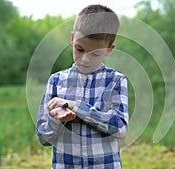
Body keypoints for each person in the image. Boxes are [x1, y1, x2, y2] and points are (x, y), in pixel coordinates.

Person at [36, 4, 129, 169]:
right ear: (72, 39)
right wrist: (55, 119)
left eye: (95, 54)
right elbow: (43, 138)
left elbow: (120, 128)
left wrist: (76, 107)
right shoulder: (56, 81)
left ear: (109, 50)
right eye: (79, 49)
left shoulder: (116, 80)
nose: (85, 59)